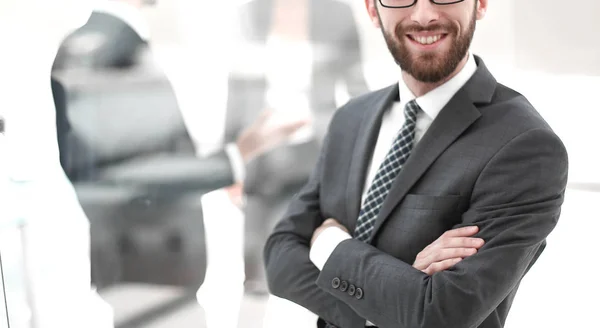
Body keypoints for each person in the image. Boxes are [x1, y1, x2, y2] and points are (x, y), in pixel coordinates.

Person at [263, 1, 568, 328]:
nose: (424, 15)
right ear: (371, 9)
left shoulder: (525, 146)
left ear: (480, 4)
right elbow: (279, 257)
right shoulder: (350, 119)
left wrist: (328, 244)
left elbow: (441, 315)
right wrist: (395, 297)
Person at [225, 0, 370, 294]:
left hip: (313, 149)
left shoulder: (337, 13)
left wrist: (369, 147)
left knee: (301, 266)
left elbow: (357, 86)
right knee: (257, 273)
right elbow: (237, 88)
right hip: (262, 154)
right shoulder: (250, 11)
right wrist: (232, 161)